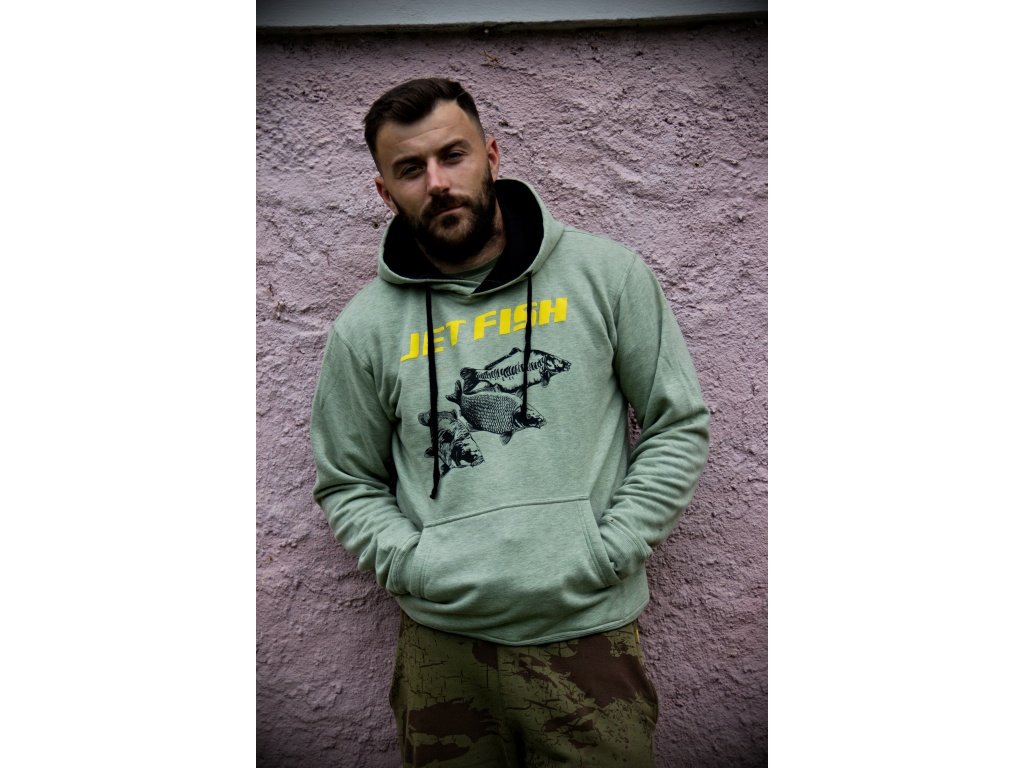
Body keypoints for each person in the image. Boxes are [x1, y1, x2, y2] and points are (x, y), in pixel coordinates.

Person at [310, 77, 710, 767]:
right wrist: (413, 564)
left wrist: (611, 548)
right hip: (442, 651)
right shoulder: (365, 327)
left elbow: (678, 423)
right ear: (385, 191)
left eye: (453, 155)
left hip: (587, 639)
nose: (438, 182)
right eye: (410, 168)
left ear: (491, 156)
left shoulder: (605, 276)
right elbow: (347, 480)